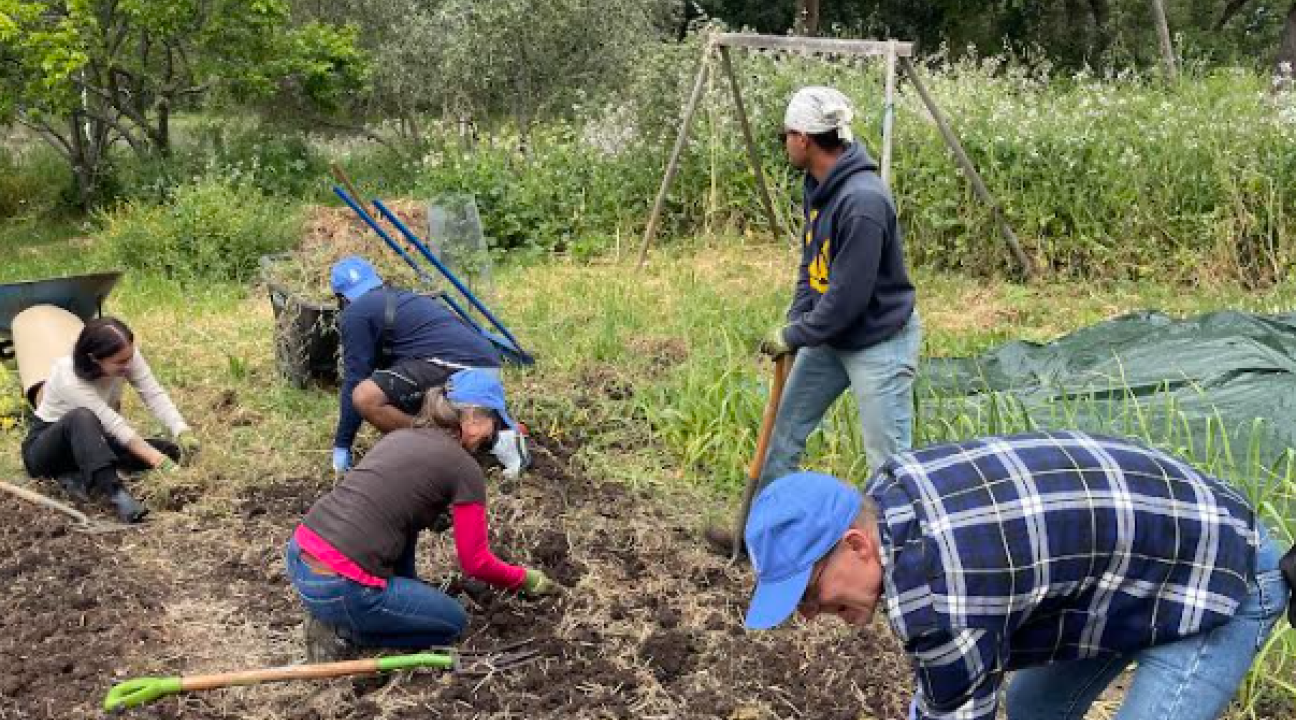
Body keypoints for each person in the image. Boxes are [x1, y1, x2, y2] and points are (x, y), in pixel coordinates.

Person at [743, 430, 1293, 720]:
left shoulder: (939, 596)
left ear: (857, 544)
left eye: (810, 593)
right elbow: (949, 691)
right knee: (1033, 707)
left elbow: (954, 689)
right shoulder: (891, 496)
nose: (811, 615)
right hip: (1138, 570)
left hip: (1225, 577)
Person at [705, 86, 921, 554]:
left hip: (879, 341)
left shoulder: (863, 202)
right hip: (831, 336)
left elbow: (848, 300)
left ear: (804, 139)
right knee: (783, 433)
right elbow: (814, 268)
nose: (784, 143)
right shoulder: (818, 187)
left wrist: (799, 332)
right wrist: (795, 321)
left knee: (891, 462)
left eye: (787, 135)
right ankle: (759, 536)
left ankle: (901, 561)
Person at [287, 369, 562, 661]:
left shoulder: (402, 437)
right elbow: (476, 563)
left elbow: (392, 510)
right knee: (452, 622)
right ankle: (343, 633)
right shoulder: (463, 468)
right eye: (491, 422)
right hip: (341, 585)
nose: (490, 434)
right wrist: (524, 579)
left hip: (300, 555)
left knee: (416, 592)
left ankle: (347, 613)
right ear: (471, 418)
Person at [329, 256, 529, 477]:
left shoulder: (355, 313)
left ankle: (440, 447)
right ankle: (485, 428)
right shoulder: (401, 298)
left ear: (342, 298)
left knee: (366, 396)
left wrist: (342, 444)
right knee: (395, 397)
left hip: (457, 367)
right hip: (483, 365)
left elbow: (354, 380)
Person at [21, 317, 200, 523]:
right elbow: (114, 425)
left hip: (95, 442)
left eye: (130, 357)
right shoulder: (68, 377)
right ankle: (116, 494)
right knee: (81, 416)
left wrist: (181, 429)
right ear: (94, 358)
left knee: (169, 450)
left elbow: (152, 393)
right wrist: (157, 462)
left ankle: (82, 475)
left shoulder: (126, 355)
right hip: (49, 450)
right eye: (120, 362)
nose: (128, 365)